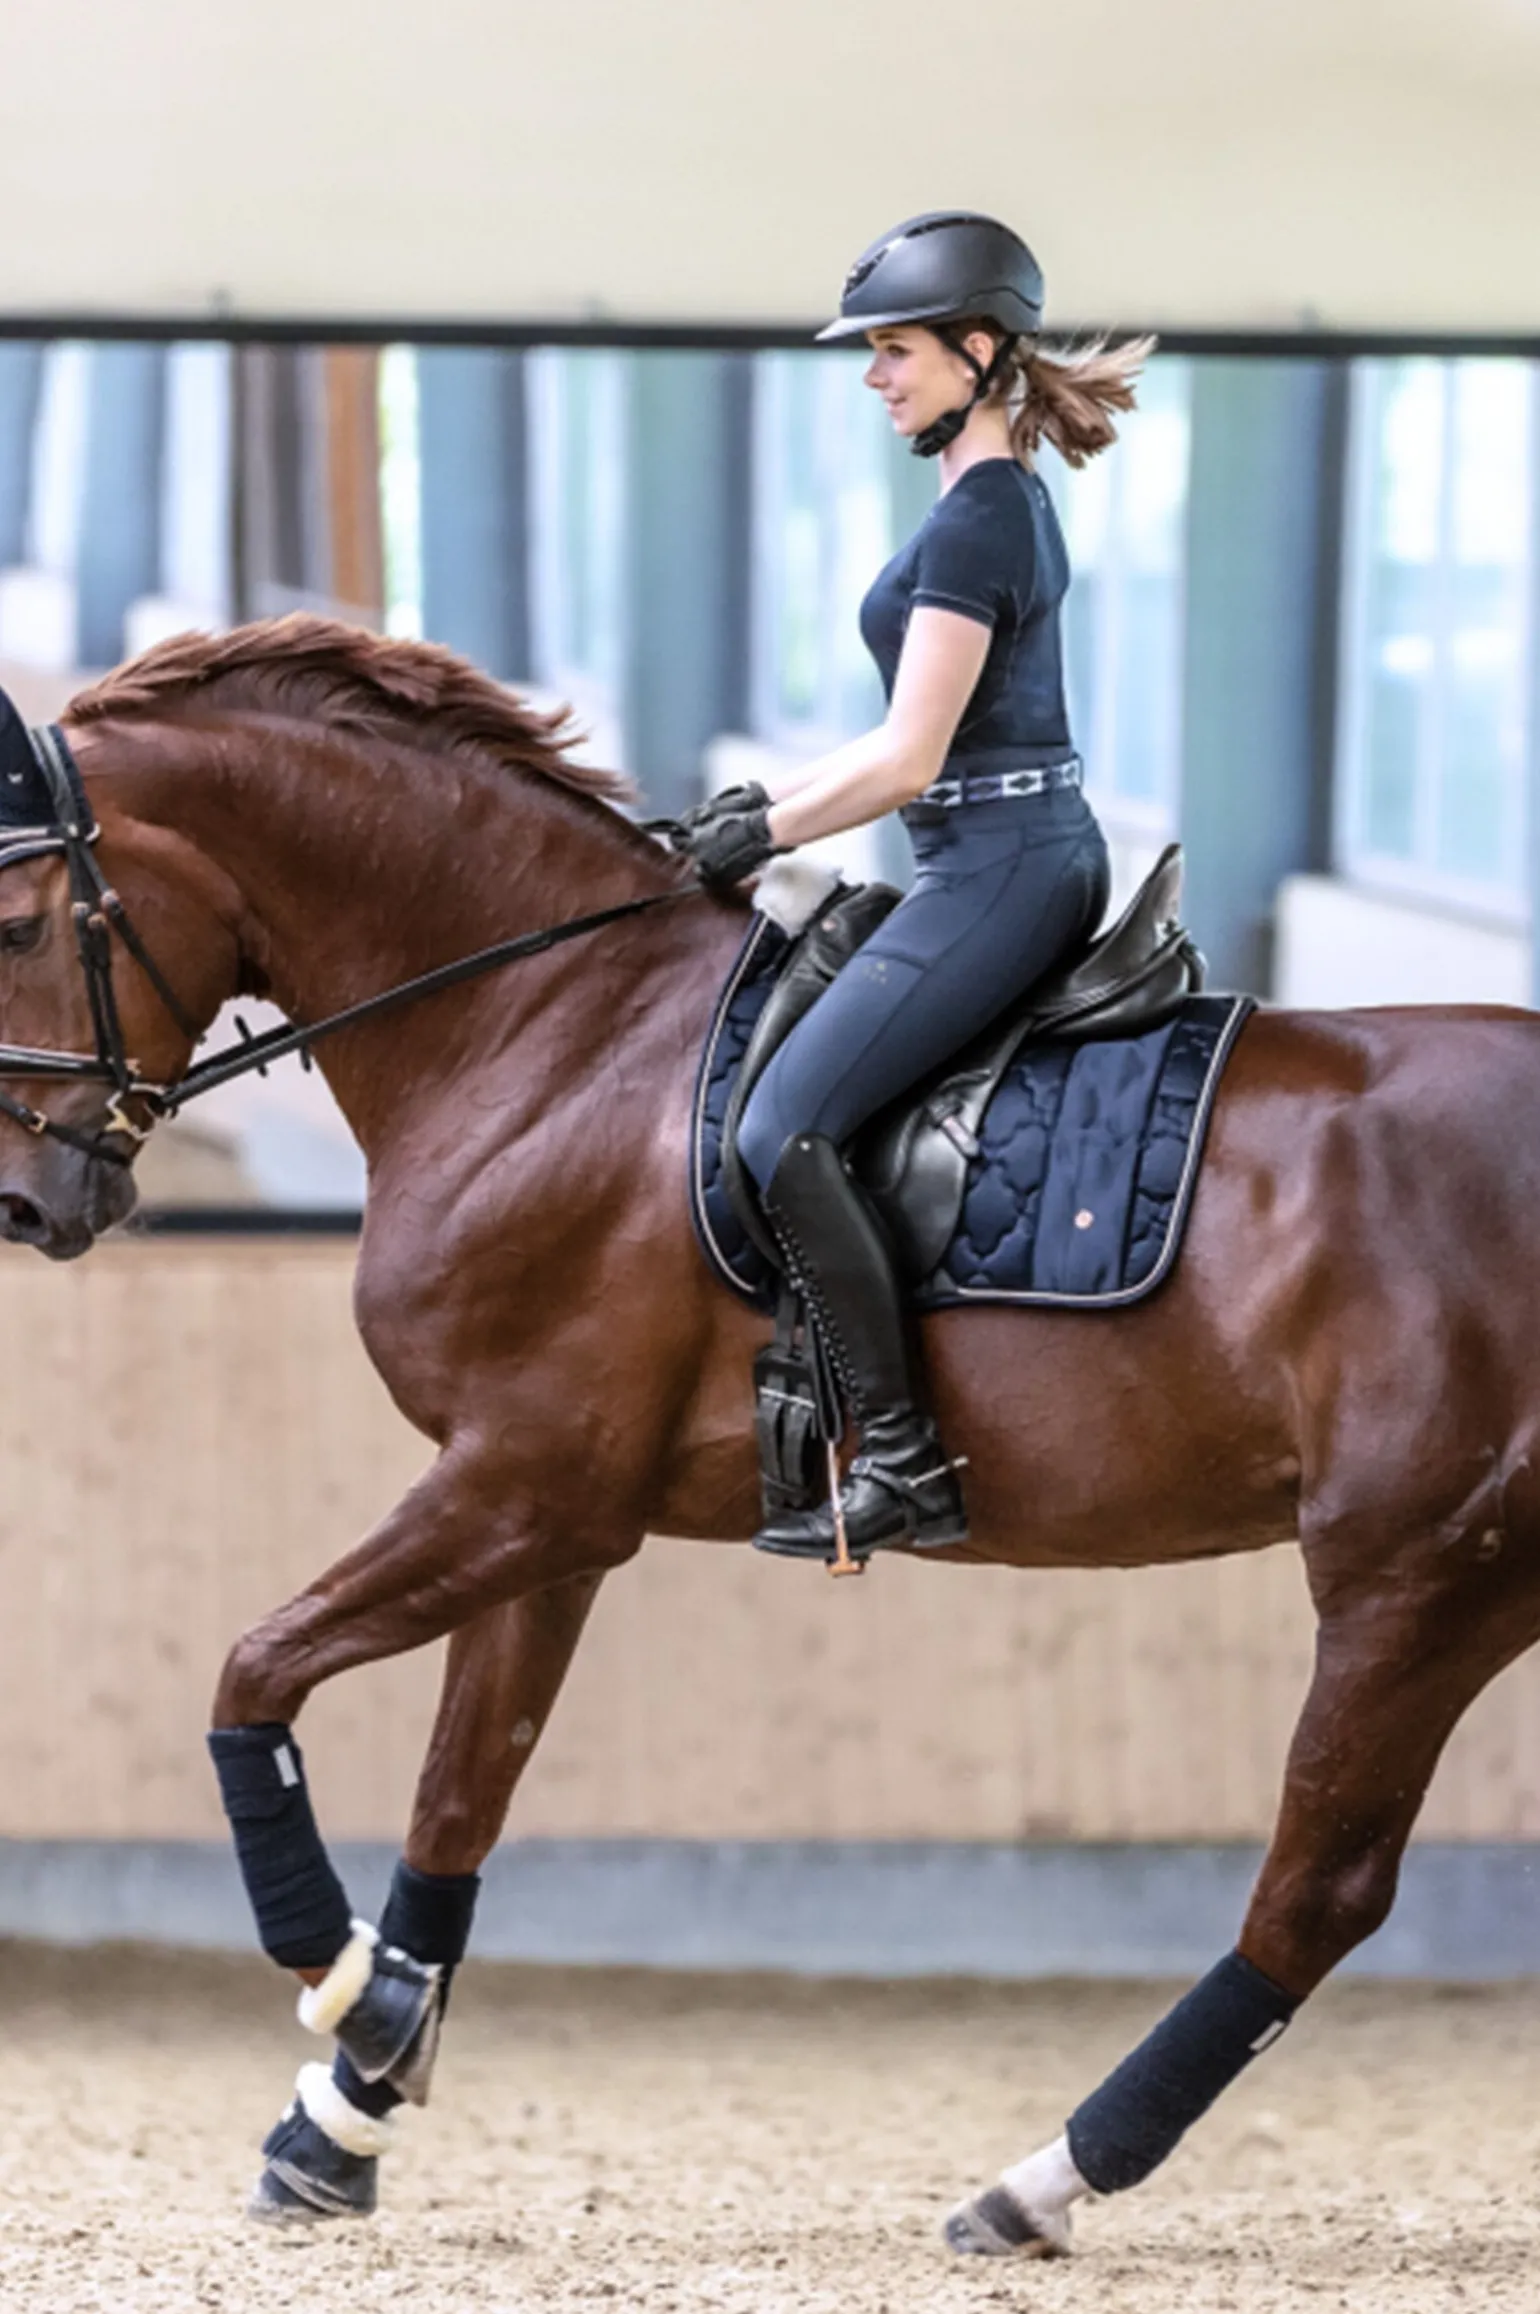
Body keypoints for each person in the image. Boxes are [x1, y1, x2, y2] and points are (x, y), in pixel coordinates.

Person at [676, 211, 1151, 1563]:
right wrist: (754, 809)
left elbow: (909, 754)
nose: (876, 376)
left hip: (999, 865)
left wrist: (757, 827)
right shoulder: (978, 506)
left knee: (782, 1133)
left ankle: (900, 1459)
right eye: (875, 352)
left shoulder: (983, 517)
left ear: (978, 349)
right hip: (993, 850)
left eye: (894, 351)